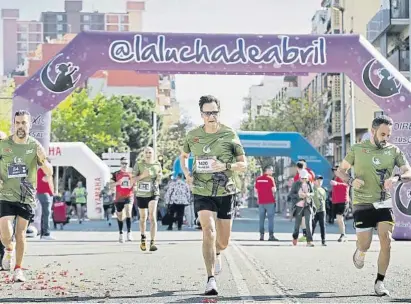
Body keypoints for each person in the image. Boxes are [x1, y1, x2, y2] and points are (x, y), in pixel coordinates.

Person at [336, 115, 411, 296]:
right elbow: (341, 170)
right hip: (362, 202)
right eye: (382, 134)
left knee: (386, 240)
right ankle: (360, 251)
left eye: (389, 134)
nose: (386, 138)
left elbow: (408, 171)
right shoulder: (357, 149)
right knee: (365, 244)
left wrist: (396, 177)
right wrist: (352, 181)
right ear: (372, 131)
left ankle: (380, 282)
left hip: (383, 201)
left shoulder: (393, 151)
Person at [180, 95, 247, 295]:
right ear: (202, 115)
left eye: (214, 112)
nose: (212, 116)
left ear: (219, 113)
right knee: (208, 231)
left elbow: (243, 164)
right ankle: (210, 279)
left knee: (223, 242)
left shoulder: (230, 134)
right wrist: (186, 173)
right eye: (208, 112)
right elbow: (183, 157)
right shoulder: (192, 135)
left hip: (226, 190)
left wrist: (225, 165)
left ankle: (217, 252)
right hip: (201, 189)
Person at [0, 110, 53, 282]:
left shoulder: (35, 145)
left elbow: (48, 172)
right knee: (6, 234)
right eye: (18, 123)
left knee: (21, 233)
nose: (20, 126)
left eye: (24, 123)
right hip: (6, 194)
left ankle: (18, 269)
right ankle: (9, 249)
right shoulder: (3, 144)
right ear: (13, 124)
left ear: (29, 125)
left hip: (26, 196)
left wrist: (43, 160)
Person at [133, 147, 162, 252]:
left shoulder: (157, 164)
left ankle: (153, 241)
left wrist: (159, 178)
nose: (148, 154)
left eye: (150, 152)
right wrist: (142, 176)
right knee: (143, 217)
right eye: (146, 152)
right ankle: (143, 238)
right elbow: (132, 180)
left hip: (153, 193)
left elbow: (159, 179)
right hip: (141, 194)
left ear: (153, 154)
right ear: (143, 154)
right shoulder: (139, 164)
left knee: (152, 216)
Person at [289, 169, 315, 247]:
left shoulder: (309, 183)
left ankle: (309, 241)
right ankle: (295, 237)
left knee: (308, 224)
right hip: (298, 206)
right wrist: (299, 195)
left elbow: (313, 193)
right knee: (297, 224)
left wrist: (308, 195)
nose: (304, 180)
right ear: (299, 177)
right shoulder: (296, 184)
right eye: (302, 178)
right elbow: (291, 194)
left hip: (308, 205)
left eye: (305, 178)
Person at [111, 157, 134, 242]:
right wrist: (118, 182)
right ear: (120, 164)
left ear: (128, 164)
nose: (124, 165)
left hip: (129, 196)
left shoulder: (132, 173)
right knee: (120, 216)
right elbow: (110, 185)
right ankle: (121, 233)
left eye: (126, 163)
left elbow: (136, 183)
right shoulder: (116, 174)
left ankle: (129, 232)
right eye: (123, 163)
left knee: (128, 211)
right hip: (119, 197)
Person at [254, 165, 279, 241]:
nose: (272, 172)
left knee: (261, 219)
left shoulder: (258, 179)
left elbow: (255, 191)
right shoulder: (270, 179)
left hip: (261, 202)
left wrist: (260, 195)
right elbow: (274, 190)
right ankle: (271, 236)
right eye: (271, 170)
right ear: (267, 170)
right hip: (270, 202)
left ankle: (261, 236)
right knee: (270, 219)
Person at [330, 165, 350, 242]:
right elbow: (334, 190)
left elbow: (346, 185)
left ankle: (343, 234)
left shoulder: (344, 176)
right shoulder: (334, 177)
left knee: (339, 218)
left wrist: (337, 184)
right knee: (339, 219)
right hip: (336, 201)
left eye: (336, 170)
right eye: (333, 170)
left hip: (343, 200)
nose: (334, 171)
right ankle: (343, 233)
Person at [37, 163, 55, 240]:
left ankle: (43, 234)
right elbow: (44, 179)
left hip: (48, 193)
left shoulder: (46, 171)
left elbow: (50, 183)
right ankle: (46, 233)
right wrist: (49, 173)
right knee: (46, 213)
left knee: (45, 214)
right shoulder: (41, 170)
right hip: (43, 193)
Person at [312, 175, 327, 246]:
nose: (320, 182)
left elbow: (324, 199)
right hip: (314, 210)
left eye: (321, 181)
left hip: (322, 210)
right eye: (318, 180)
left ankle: (323, 240)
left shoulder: (323, 190)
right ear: (314, 181)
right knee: (313, 225)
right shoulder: (312, 189)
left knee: (322, 225)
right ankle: (310, 239)